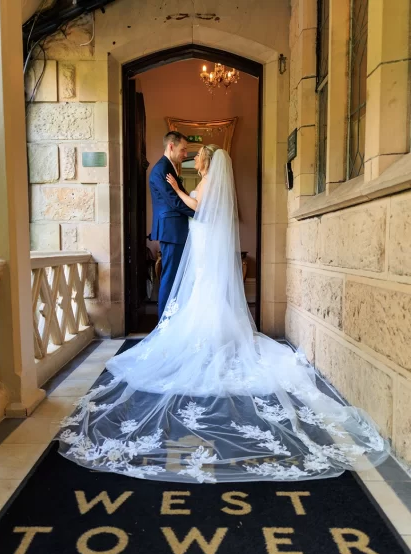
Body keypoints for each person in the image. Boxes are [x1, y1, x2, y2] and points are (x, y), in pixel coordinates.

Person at [57, 146, 389, 484]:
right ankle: (213, 334)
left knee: (205, 291)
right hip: (204, 241)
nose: (195, 158)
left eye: (199, 154)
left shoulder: (211, 178)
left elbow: (198, 206)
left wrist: (177, 190)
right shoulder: (211, 176)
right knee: (204, 289)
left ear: (209, 160)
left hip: (203, 240)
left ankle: (210, 337)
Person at [149, 131, 195, 318]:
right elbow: (174, 202)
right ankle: (164, 323)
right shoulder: (161, 169)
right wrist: (200, 214)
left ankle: (173, 319)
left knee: (176, 275)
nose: (185, 154)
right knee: (170, 275)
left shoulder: (169, 167)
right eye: (183, 150)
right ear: (171, 146)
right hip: (171, 230)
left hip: (176, 229)